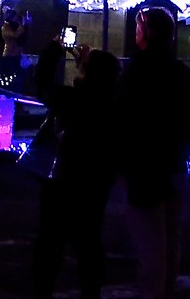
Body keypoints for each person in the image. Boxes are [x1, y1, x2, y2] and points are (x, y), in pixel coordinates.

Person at [117, 6, 190, 299]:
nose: (136, 33)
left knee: (150, 243)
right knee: (169, 238)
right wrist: (181, 151)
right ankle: (165, 291)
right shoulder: (182, 74)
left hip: (144, 168)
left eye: (139, 27)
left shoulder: (137, 71)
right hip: (174, 165)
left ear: (147, 33)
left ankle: (153, 294)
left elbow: (123, 117)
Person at [31, 39, 119, 299]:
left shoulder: (73, 99)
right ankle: (91, 293)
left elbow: (43, 85)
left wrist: (53, 51)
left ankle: (43, 290)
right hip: (97, 180)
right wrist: (87, 68)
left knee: (50, 241)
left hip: (63, 178)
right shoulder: (113, 104)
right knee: (89, 241)